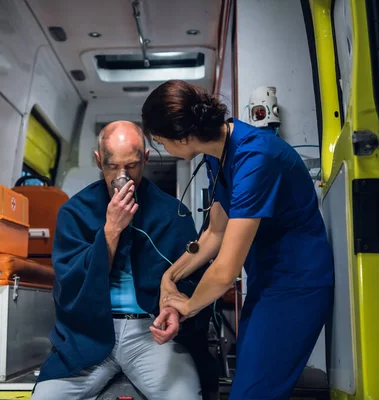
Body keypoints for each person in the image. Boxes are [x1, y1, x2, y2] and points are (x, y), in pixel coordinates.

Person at [140, 80, 334, 399]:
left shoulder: (255, 157)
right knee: (250, 388)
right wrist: (169, 277)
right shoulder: (219, 154)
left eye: (161, 141)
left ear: (183, 137)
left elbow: (225, 270)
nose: (164, 149)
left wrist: (187, 306)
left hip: (297, 286)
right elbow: (215, 233)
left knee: (252, 394)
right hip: (266, 283)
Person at [31, 121, 218, 400]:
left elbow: (191, 279)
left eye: (131, 166)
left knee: (184, 396)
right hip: (89, 332)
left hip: (149, 331)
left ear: (145, 158)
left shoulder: (172, 213)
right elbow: (70, 284)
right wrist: (111, 230)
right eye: (112, 166)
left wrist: (177, 312)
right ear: (98, 160)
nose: (123, 176)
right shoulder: (74, 212)